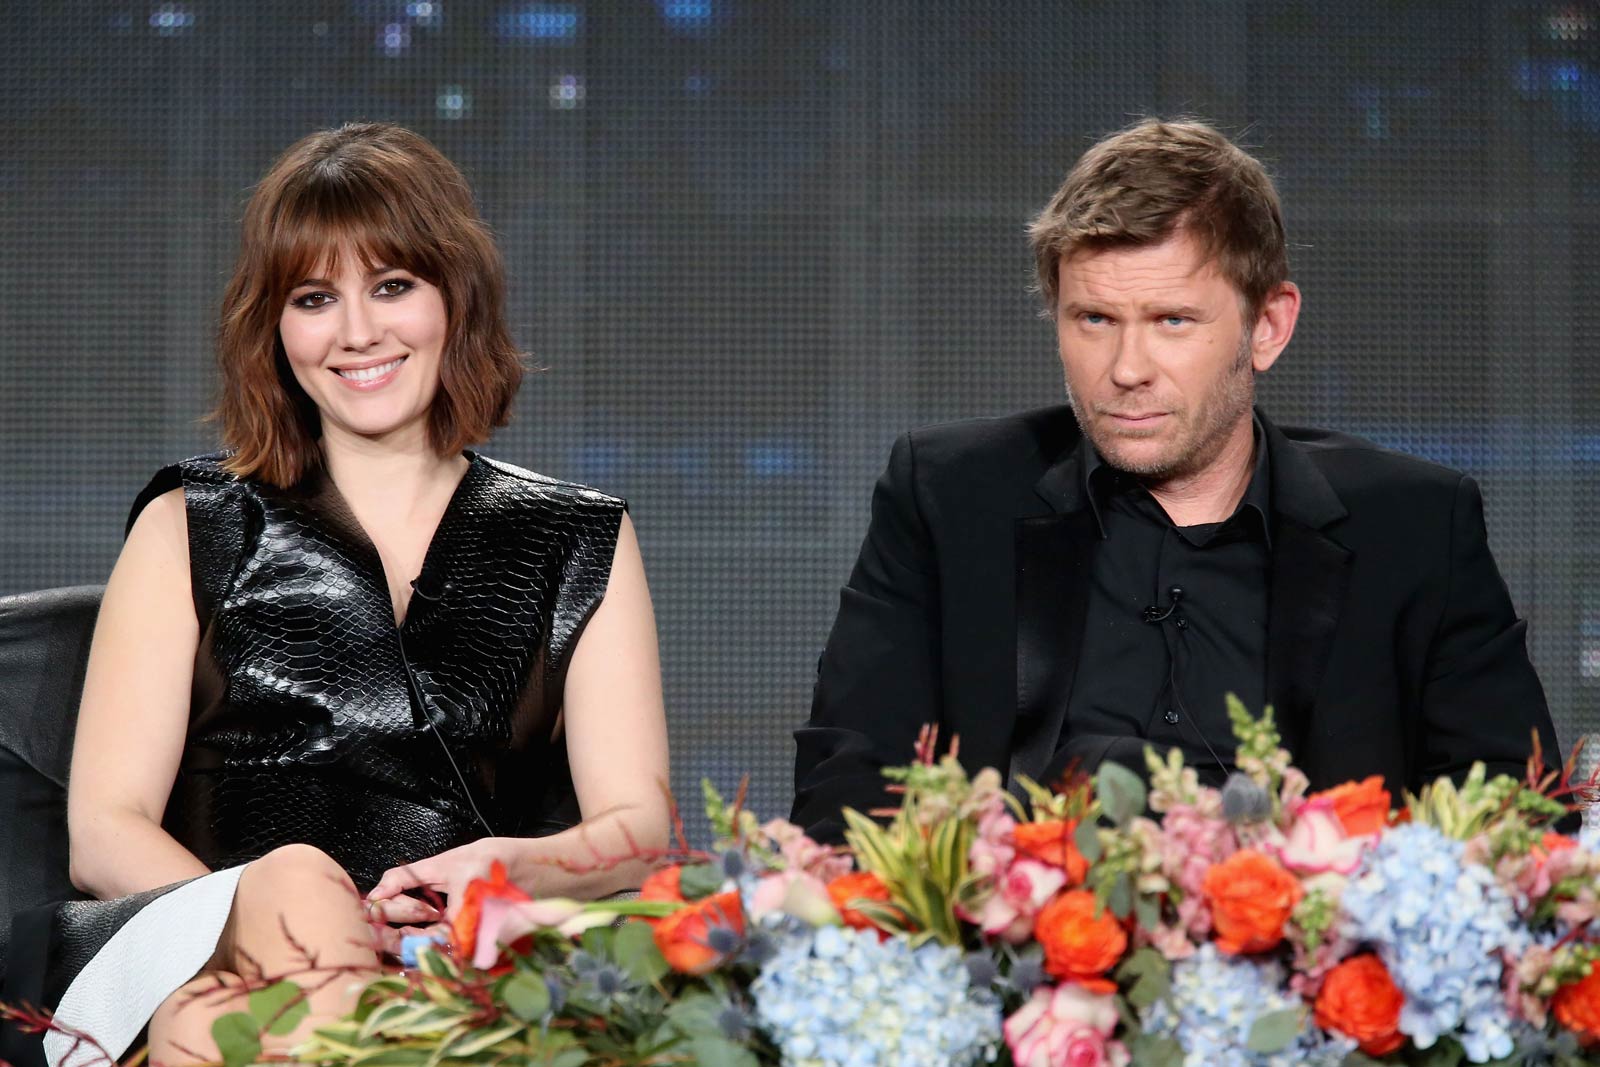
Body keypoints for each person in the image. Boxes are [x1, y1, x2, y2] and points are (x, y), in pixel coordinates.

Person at [0, 123, 669, 1067]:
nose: (357, 332)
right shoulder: (192, 520)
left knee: (210, 1038)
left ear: (454, 298)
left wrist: (500, 865)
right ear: (275, 327)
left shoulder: (574, 536)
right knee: (282, 905)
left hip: (451, 959)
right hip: (194, 941)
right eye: (316, 298)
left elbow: (637, 831)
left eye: (392, 286)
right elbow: (105, 832)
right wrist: (307, 921)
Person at [791, 117, 1561, 843]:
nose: (1126, 371)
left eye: (1172, 322)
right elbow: (846, 790)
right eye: (1093, 319)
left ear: (1268, 326)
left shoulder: (1416, 526)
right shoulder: (948, 496)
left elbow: (1518, 819)